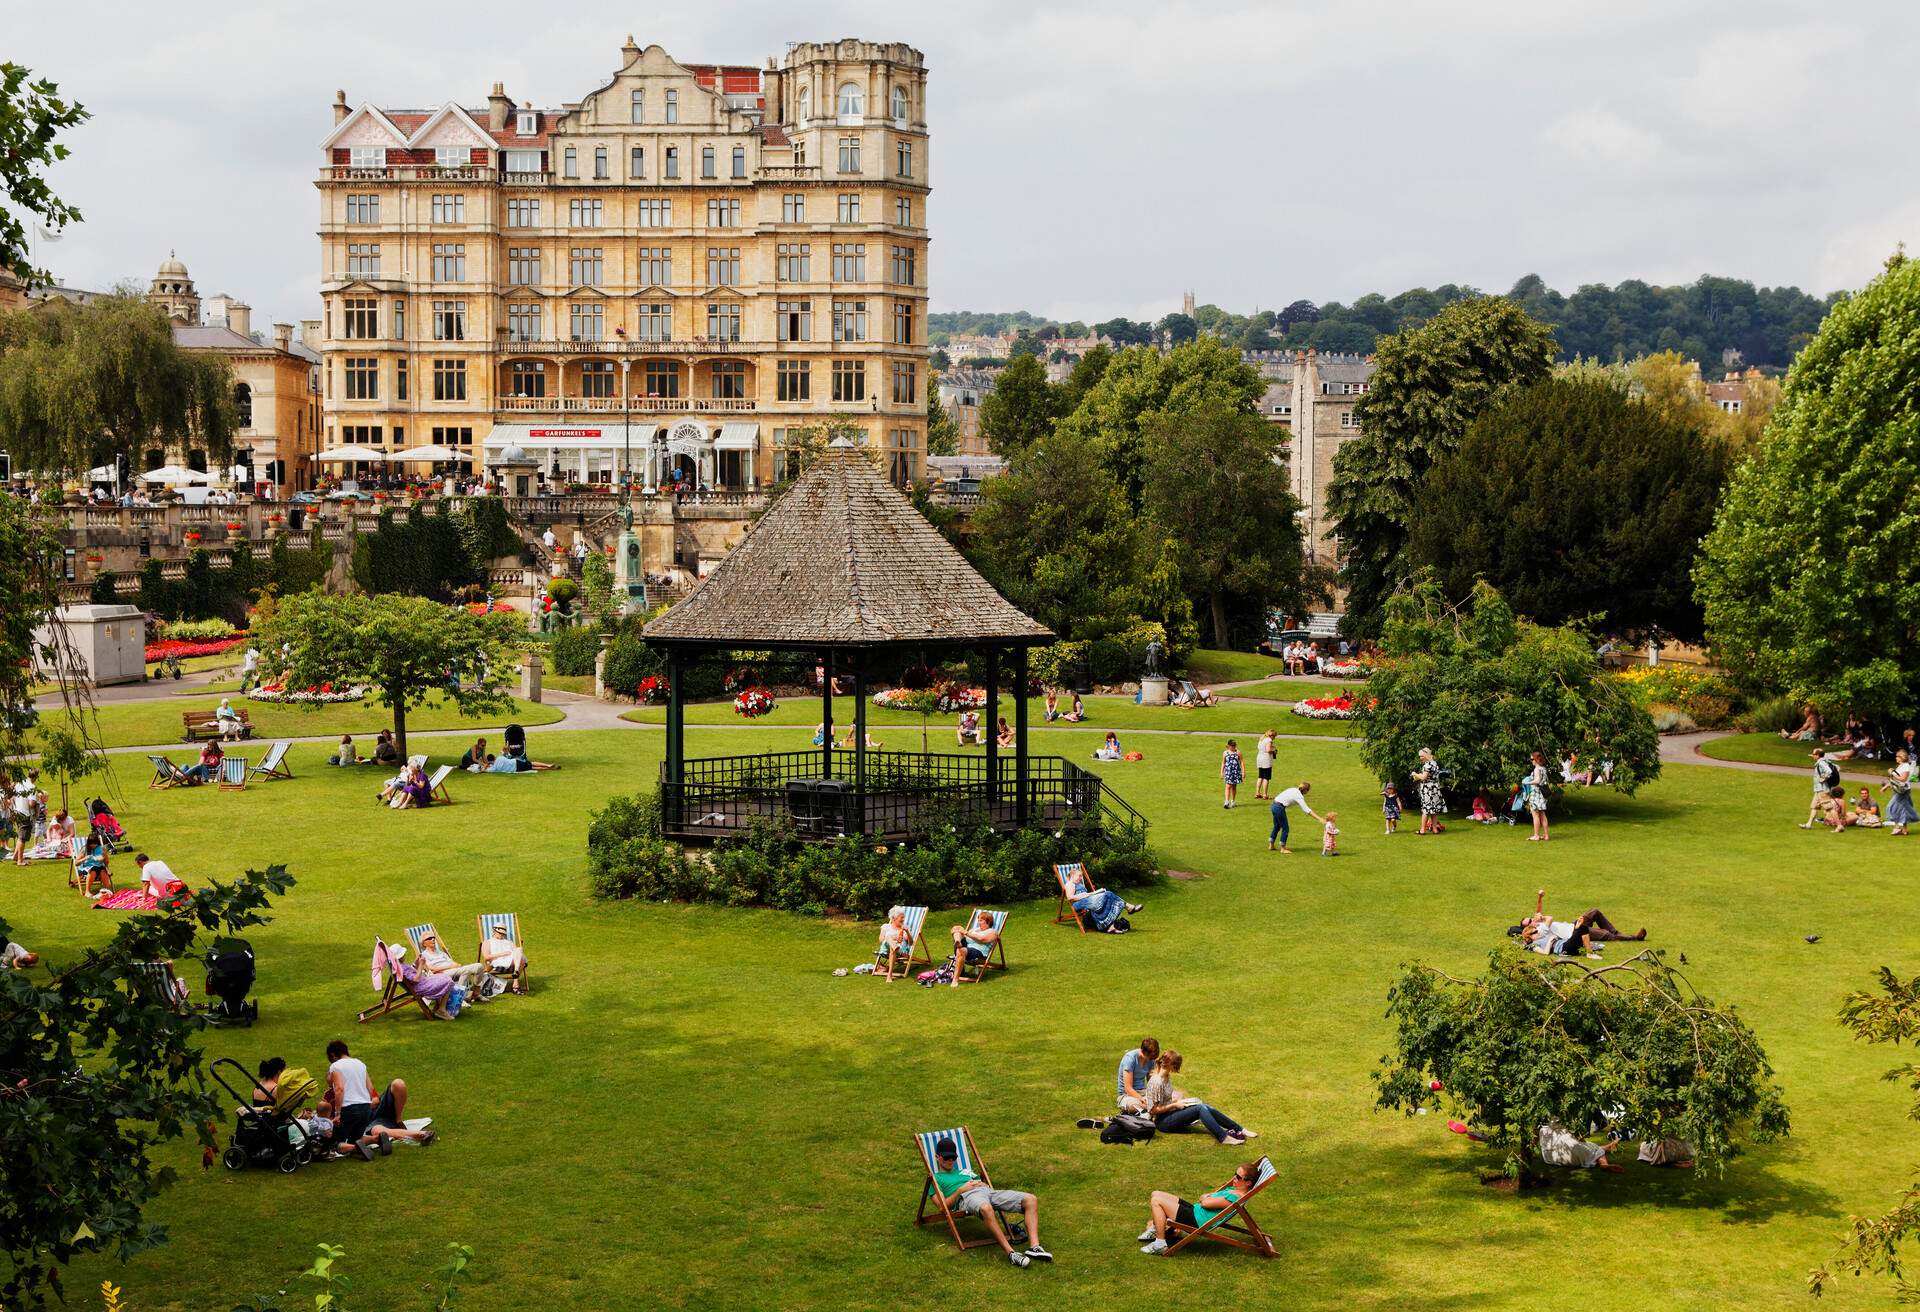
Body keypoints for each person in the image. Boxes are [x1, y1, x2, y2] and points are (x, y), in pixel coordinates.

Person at [926, 1136, 1050, 1268]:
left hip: (988, 1192)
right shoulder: (935, 1178)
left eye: (953, 1157)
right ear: (937, 1157)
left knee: (1031, 1199)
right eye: (946, 1158)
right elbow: (941, 1207)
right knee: (986, 1208)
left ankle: (1034, 1247)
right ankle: (1011, 1253)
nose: (950, 1161)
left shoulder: (965, 1171)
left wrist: (982, 1181)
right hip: (966, 1197)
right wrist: (960, 1190)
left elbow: (985, 1186)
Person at [321, 1040, 435, 1159]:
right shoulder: (360, 1064)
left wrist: (338, 1113)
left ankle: (358, 1146)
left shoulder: (335, 1067)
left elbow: (339, 1089)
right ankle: (384, 1138)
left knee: (335, 1143)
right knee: (365, 1134)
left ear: (333, 1056)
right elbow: (372, 1092)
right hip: (366, 1109)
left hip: (353, 1110)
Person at [1140, 1161, 1261, 1254]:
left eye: (1239, 1177)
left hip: (1196, 1221)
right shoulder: (1234, 1190)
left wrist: (1205, 1198)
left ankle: (1160, 1243)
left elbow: (1205, 1202)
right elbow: (1207, 1198)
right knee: (1155, 1193)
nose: (1234, 1178)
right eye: (1235, 1174)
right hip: (1195, 1211)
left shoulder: (1235, 1198)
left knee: (1156, 1201)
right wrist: (1206, 1198)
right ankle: (1157, 1229)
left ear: (1248, 1183)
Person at [1144, 1051, 1254, 1145]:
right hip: (1163, 1122)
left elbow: (1164, 1101)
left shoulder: (1166, 1077)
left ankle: (1240, 1129)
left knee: (1204, 1106)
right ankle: (1223, 1137)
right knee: (1200, 1109)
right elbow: (1153, 1110)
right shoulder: (1157, 1082)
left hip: (1171, 1113)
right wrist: (1174, 1105)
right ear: (1171, 1066)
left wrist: (1179, 1102)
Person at [1515, 892, 1645, 955]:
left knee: (1594, 912)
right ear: (1529, 929)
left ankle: (1616, 933)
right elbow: (1547, 918)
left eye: (1531, 919)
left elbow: (1538, 911)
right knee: (1605, 934)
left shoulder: (1537, 925)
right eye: (1530, 922)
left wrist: (1540, 897)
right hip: (1574, 932)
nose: (1533, 920)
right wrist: (1542, 918)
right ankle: (1635, 937)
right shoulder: (1541, 930)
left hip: (1573, 924)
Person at [1060, 865, 1142, 934]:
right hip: (1079, 903)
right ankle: (1129, 907)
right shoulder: (1070, 884)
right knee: (1108, 894)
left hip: (1087, 901)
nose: (1081, 878)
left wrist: (1094, 893)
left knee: (1108, 894)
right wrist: (1086, 894)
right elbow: (1070, 898)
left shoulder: (1078, 883)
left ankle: (1111, 926)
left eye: (1082, 876)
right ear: (1072, 875)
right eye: (1080, 876)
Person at [415, 931, 489, 999]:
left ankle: (476, 992)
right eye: (429, 938)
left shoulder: (440, 952)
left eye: (433, 937)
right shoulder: (424, 955)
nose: (433, 939)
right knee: (466, 971)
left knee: (479, 966)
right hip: (442, 974)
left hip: (454, 970)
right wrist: (451, 966)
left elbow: (453, 963)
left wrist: (456, 964)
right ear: (424, 943)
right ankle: (458, 998)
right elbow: (432, 970)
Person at [947, 909, 1001, 987]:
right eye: (978, 920)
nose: (979, 922)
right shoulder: (974, 930)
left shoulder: (993, 932)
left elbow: (983, 940)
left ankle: (955, 980)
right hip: (967, 948)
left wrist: (966, 932)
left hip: (979, 952)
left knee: (961, 950)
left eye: (981, 920)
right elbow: (964, 935)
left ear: (988, 921)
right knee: (956, 928)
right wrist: (959, 932)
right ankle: (958, 942)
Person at [1538, 1122, 1624, 1172]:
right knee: (1594, 1148)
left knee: (1590, 1147)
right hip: (1572, 1157)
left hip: (1549, 1157)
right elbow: (1579, 1139)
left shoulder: (1542, 1128)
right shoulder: (1566, 1122)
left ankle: (1611, 1145)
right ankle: (1604, 1164)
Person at [1267, 781, 1318, 853]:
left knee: (1277, 826)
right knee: (1285, 828)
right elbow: (1307, 810)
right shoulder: (1299, 796)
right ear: (1306, 790)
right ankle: (1283, 848)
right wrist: (1319, 818)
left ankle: (1271, 844)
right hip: (1279, 808)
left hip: (1274, 805)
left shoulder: (1294, 789)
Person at [1801, 748, 1843, 828]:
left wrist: (1823, 778)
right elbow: (1837, 767)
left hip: (1823, 790)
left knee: (1829, 808)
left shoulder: (1821, 763)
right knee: (1814, 807)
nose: (1812, 756)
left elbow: (1829, 771)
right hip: (1818, 790)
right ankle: (1808, 824)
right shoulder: (1826, 761)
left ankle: (1839, 826)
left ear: (1817, 755)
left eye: (1813, 754)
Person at [1116, 1038, 1161, 1113]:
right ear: (1143, 1052)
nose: (1151, 1060)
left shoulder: (1150, 1060)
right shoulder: (1130, 1059)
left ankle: (1151, 1110)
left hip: (1143, 1092)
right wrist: (1142, 1099)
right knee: (1134, 1106)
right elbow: (1128, 1088)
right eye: (1149, 1058)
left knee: (1172, 1096)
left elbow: (1151, 1082)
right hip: (1127, 1095)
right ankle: (1152, 1111)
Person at [1883, 749, 1917, 837]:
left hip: (1902, 791)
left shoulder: (1905, 766)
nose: (1896, 758)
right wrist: (1886, 786)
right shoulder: (1901, 766)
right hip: (1899, 790)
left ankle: (1897, 827)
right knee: (1904, 809)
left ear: (1902, 757)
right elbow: (1896, 780)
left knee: (1890, 807)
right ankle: (1904, 830)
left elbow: (1903, 779)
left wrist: (1892, 773)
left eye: (1897, 757)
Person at [875, 906, 915, 980]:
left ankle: (889, 975)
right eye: (901, 917)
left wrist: (907, 932)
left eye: (903, 917)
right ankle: (893, 946)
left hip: (900, 950)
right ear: (893, 918)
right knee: (889, 938)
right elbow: (881, 940)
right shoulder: (885, 926)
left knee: (891, 945)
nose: (903, 919)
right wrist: (894, 938)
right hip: (885, 949)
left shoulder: (905, 928)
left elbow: (911, 943)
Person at [1413, 748, 1447, 834]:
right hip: (1435, 788)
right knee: (1434, 810)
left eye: (1421, 756)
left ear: (1426, 755)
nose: (1420, 758)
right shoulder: (1434, 763)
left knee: (1425, 810)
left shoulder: (1427, 765)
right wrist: (1420, 775)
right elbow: (1429, 776)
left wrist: (1415, 774)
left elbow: (1424, 777)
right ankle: (1435, 829)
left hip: (1428, 789)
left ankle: (1422, 830)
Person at [1525, 750, 1551, 842]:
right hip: (1542, 794)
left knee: (1535, 815)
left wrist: (1527, 782)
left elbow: (1537, 780)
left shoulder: (1537, 769)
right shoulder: (1543, 769)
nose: (1531, 760)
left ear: (1536, 759)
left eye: (1532, 759)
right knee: (1543, 815)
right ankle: (1546, 835)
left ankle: (1536, 835)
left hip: (1536, 793)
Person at [1253, 730, 1277, 801]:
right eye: (1274, 736)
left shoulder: (1262, 739)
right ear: (1271, 735)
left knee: (1260, 776)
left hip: (1260, 758)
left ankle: (1257, 793)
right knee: (1266, 777)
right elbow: (1268, 750)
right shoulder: (1269, 740)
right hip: (1266, 759)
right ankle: (1265, 794)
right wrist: (1274, 751)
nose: (1274, 738)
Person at [1220, 739, 1243, 809]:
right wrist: (1221, 772)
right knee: (1228, 786)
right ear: (1228, 746)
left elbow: (1242, 762)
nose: (1233, 747)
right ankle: (1226, 801)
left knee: (1234, 787)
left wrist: (1243, 772)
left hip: (1236, 771)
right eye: (1232, 745)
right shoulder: (1225, 753)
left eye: (1234, 745)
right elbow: (1223, 763)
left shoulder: (1238, 752)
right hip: (1228, 772)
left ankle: (1233, 801)